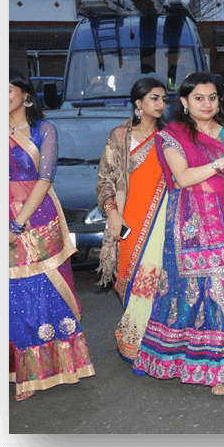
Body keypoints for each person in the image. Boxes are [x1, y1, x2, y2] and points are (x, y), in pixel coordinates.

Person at [133, 72, 224, 396]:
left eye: (213, 97)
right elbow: (183, 177)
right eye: (199, 98)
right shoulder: (172, 136)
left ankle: (219, 368)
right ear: (186, 102)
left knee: (221, 290)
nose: (207, 104)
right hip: (189, 225)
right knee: (187, 292)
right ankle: (180, 359)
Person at [9, 67, 95, 401]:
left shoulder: (44, 129)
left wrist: (17, 224)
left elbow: (44, 179)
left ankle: (42, 370)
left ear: (25, 94)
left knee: (40, 289)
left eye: (8, 90)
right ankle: (17, 369)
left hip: (37, 215)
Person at [96, 77, 169, 365]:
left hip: (162, 222)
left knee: (153, 282)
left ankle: (145, 346)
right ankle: (133, 340)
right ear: (138, 103)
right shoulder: (119, 136)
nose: (161, 104)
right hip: (127, 221)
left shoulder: (169, 137)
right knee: (130, 277)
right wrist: (113, 212)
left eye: (164, 99)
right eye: (154, 98)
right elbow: (105, 180)